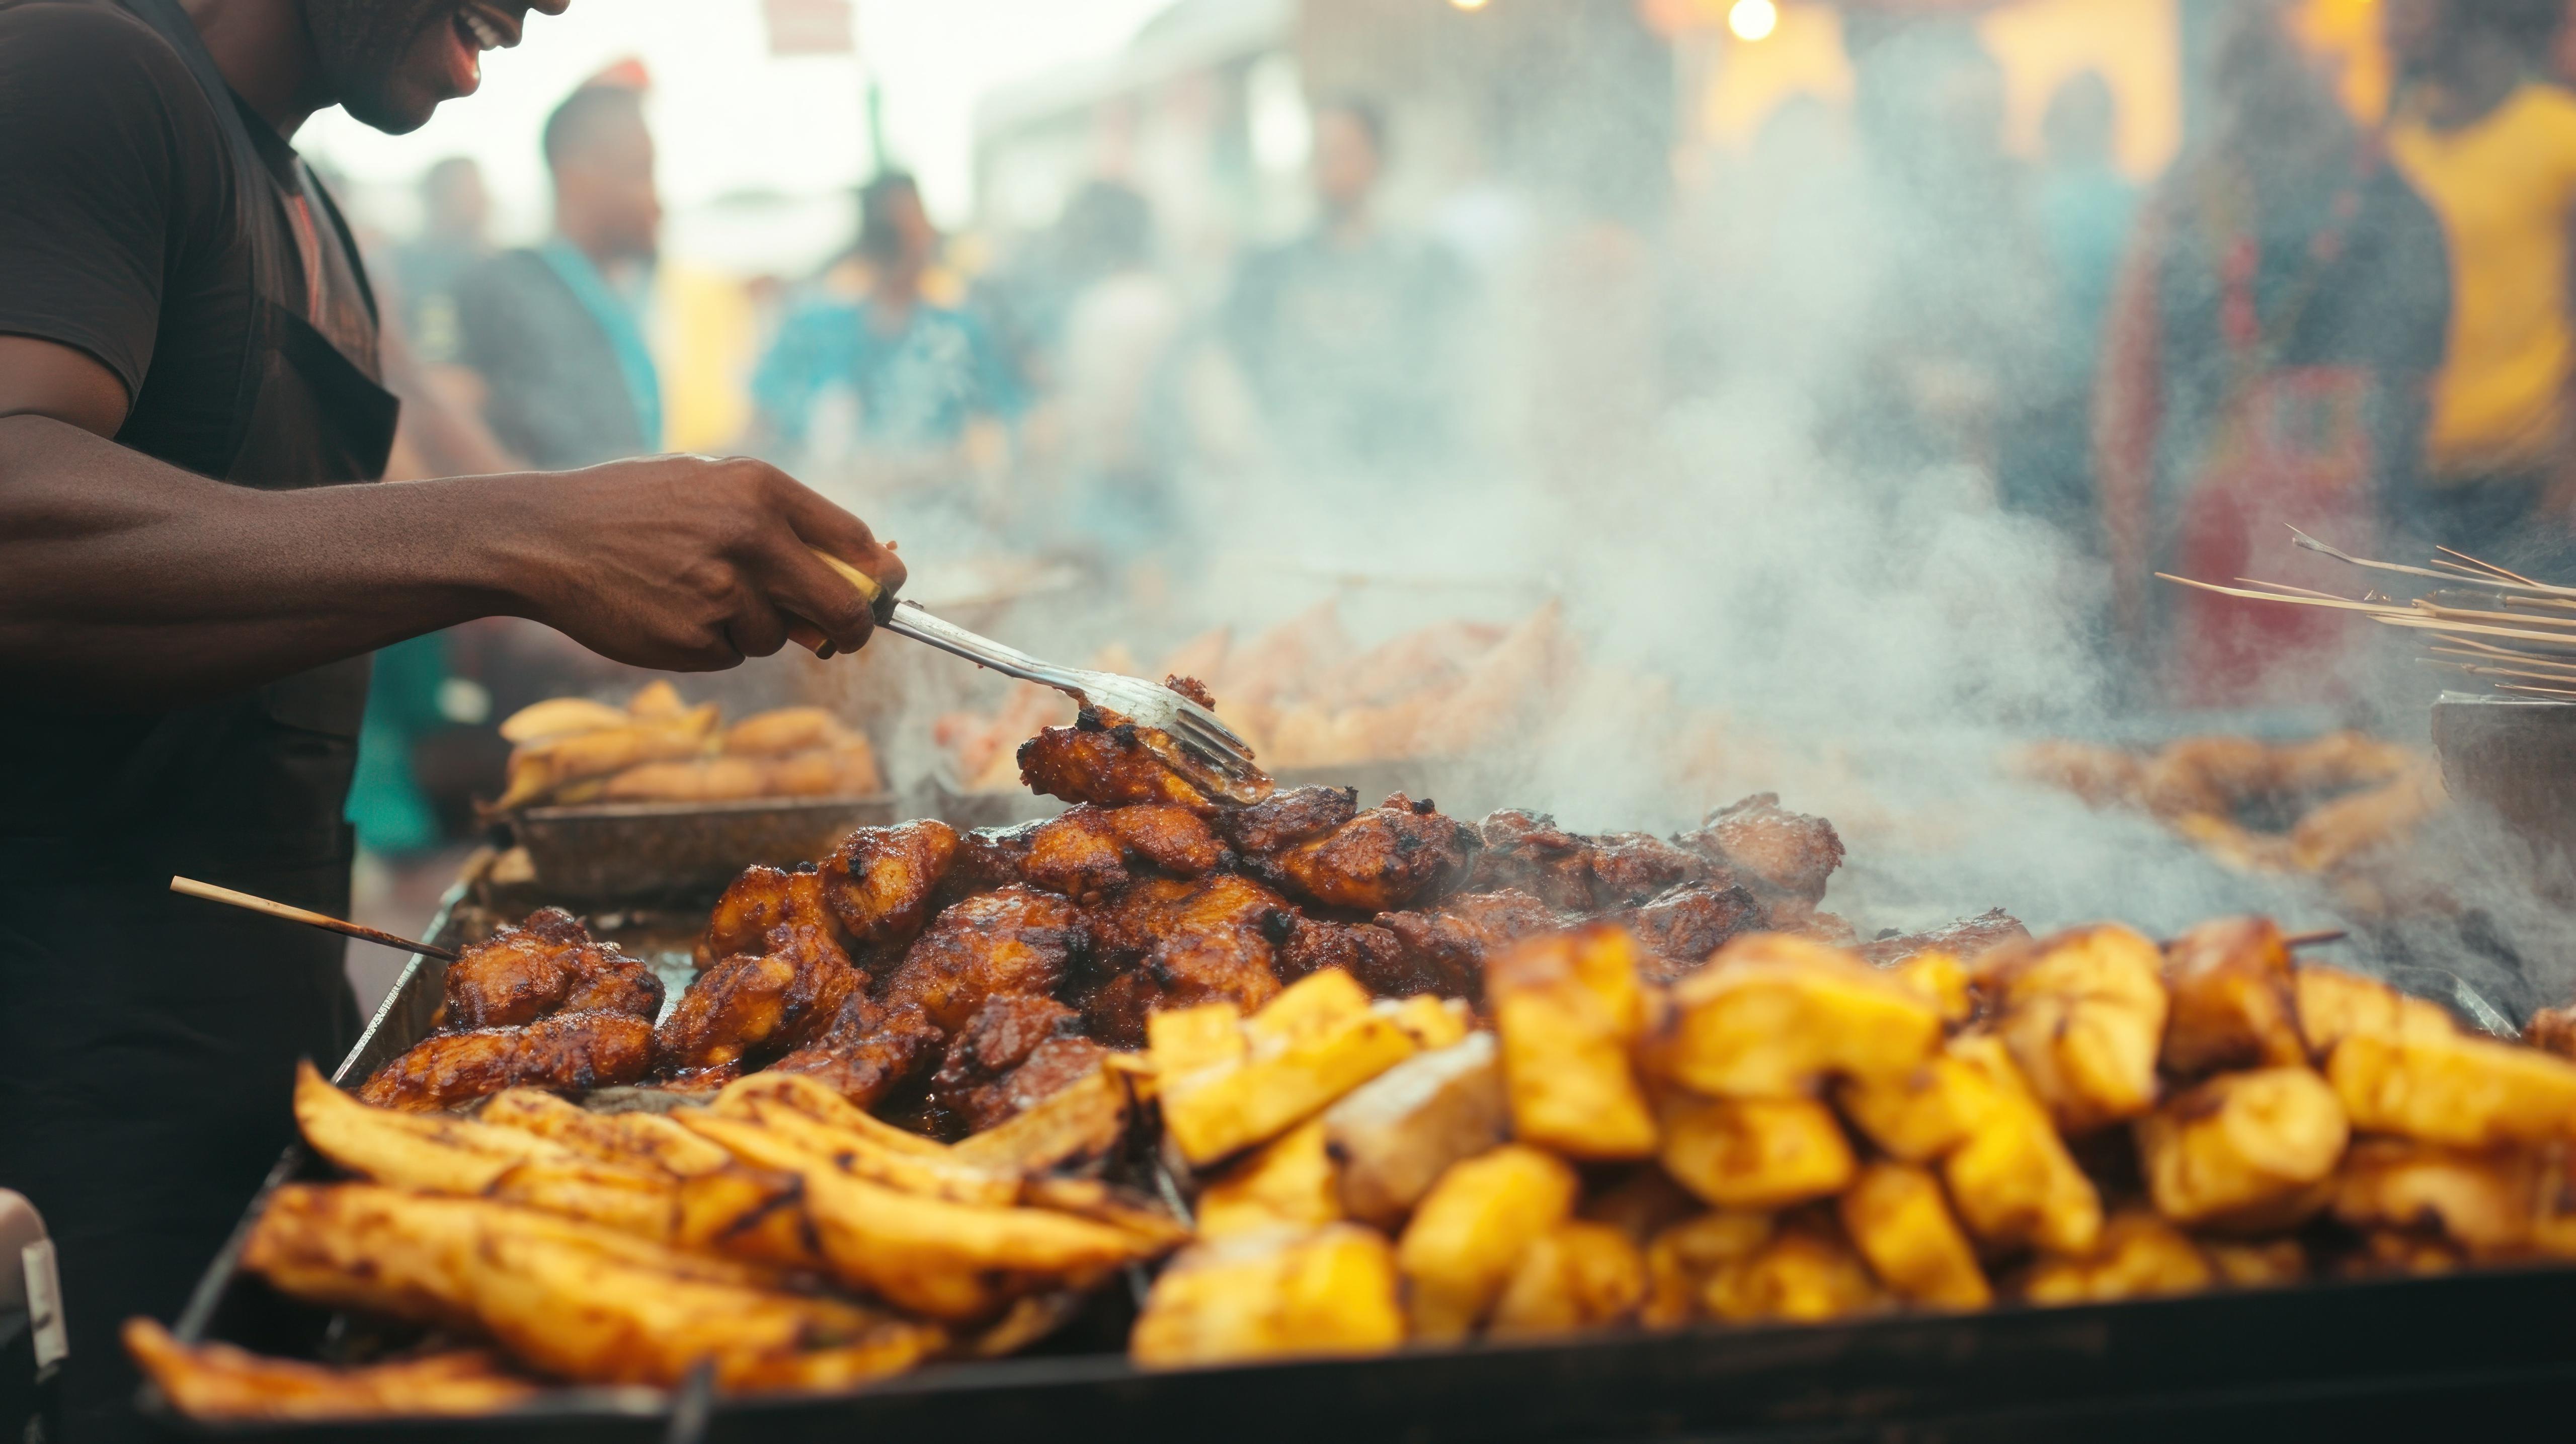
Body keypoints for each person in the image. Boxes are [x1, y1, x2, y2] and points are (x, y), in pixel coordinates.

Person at [0, 4, 904, 1436]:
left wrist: (731, 605)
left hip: (273, 1042)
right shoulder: (85, 71)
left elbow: (439, 561)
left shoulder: (311, 198)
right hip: (62, 1077)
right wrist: (535, 534)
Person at [2094, 0, 2450, 706]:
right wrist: (2133, 553)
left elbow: (2415, 388)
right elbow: (2129, 394)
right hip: (2218, 529)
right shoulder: (2186, 202)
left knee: (2332, 732)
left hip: (2342, 531)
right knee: (2218, 746)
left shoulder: (2388, 199)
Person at [2383, 0, 2576, 571]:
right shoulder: (2393, 144)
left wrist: (2565, 476)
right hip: (2409, 488)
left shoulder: (2558, 135)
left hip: (2528, 485)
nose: (2389, 23)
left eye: (2408, 7)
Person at [1219, 96, 1469, 481]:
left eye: (1342, 152)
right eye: (1320, 154)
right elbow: (1230, 366)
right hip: (1301, 485)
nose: (1327, 168)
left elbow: (1460, 377)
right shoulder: (1269, 271)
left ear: (1378, 160)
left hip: (1411, 480)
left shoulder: (1431, 269)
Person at [753, 171, 1021, 491]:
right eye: (891, 232)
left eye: (914, 229)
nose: (905, 244)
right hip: (831, 510)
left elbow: (1006, 430)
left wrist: (955, 466)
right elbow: (760, 428)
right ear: (867, 240)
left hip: (938, 508)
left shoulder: (959, 332)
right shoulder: (815, 328)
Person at [455, 77, 666, 470]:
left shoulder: (623, 287)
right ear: (577, 181)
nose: (658, 199)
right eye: (640, 172)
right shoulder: (510, 289)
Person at [390, 154, 489, 367]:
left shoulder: (493, 267)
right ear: (439, 197)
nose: (484, 202)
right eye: (469, 193)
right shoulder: (397, 264)